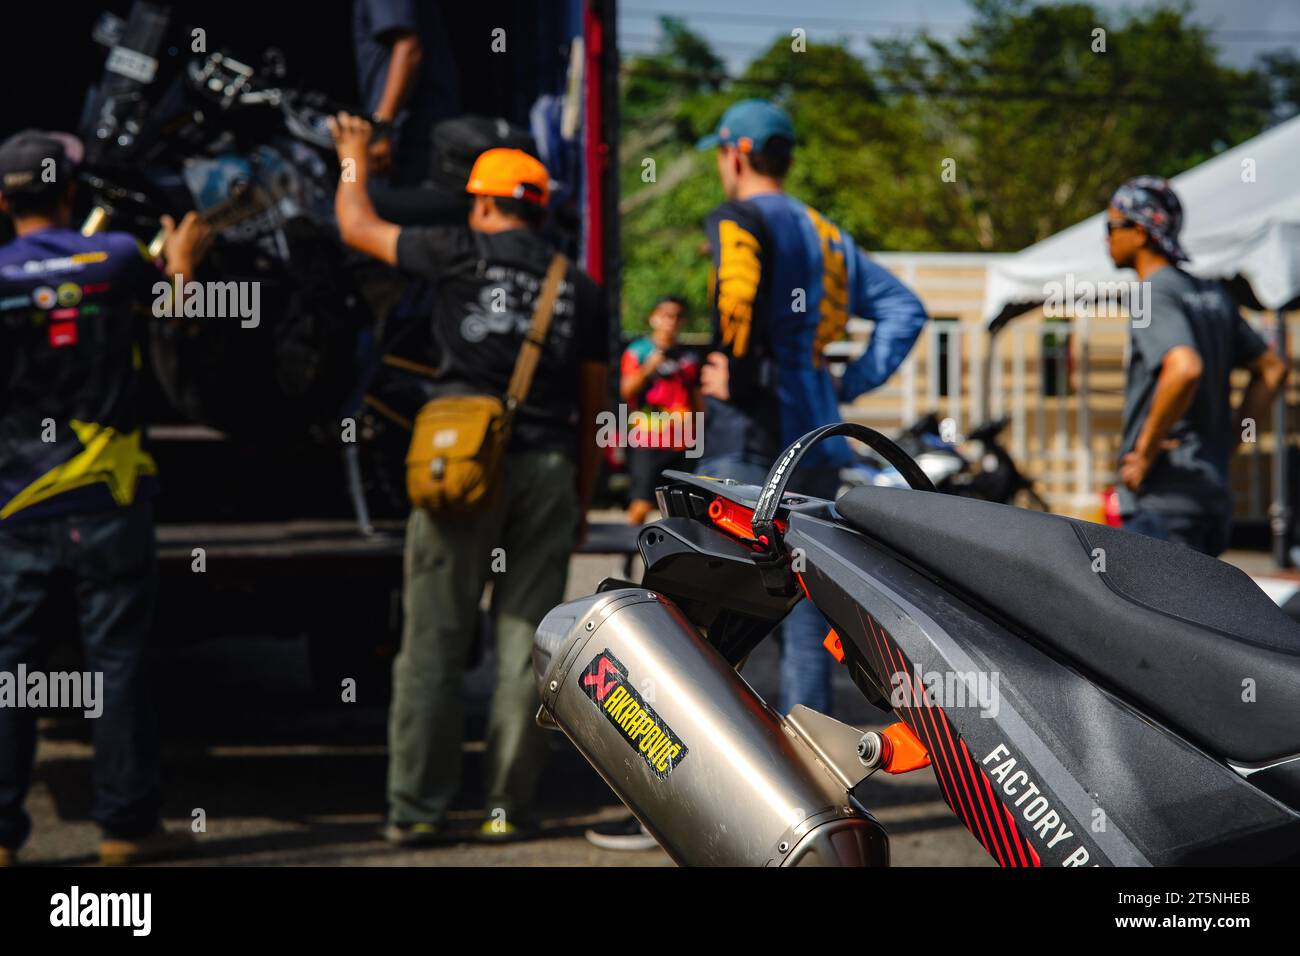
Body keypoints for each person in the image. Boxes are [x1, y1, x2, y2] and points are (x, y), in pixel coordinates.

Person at [328, 113, 610, 844]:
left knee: (434, 644)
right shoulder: (578, 286)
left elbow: (355, 226)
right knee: (527, 648)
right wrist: (580, 502)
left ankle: (416, 812)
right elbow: (594, 410)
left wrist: (354, 156)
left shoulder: (455, 251)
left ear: (482, 205)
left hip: (458, 465)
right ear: (538, 208)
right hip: (548, 469)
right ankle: (506, 810)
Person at [0, 130, 212, 866]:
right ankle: (125, 830)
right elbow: (179, 318)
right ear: (70, 194)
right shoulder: (118, 260)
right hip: (109, 501)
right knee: (116, 667)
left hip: (16, 508)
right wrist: (183, 262)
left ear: (2, 201)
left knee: (12, 676)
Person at [696, 100, 928, 717]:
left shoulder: (736, 216)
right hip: (818, 436)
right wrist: (846, 384)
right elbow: (907, 310)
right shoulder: (828, 236)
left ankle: (706, 786)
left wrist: (736, 375)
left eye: (720, 155)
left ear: (737, 153)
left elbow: (737, 299)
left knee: (714, 615)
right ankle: (810, 776)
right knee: (805, 611)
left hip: (749, 436)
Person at [1106, 175, 1288, 556]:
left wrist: (1144, 454)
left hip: (1166, 499)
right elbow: (1272, 369)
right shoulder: (1211, 294)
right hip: (1211, 497)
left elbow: (1184, 368)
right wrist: (1229, 442)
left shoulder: (1150, 293)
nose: (1106, 238)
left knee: (1154, 615)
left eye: (1112, 227)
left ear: (1140, 232)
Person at [619, 296, 701, 526]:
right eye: (665, 315)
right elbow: (626, 390)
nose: (671, 322)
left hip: (682, 442)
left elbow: (697, 402)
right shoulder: (638, 352)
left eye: (676, 316)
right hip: (647, 440)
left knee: (682, 510)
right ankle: (628, 557)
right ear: (653, 318)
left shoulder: (689, 358)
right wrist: (649, 367)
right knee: (641, 504)